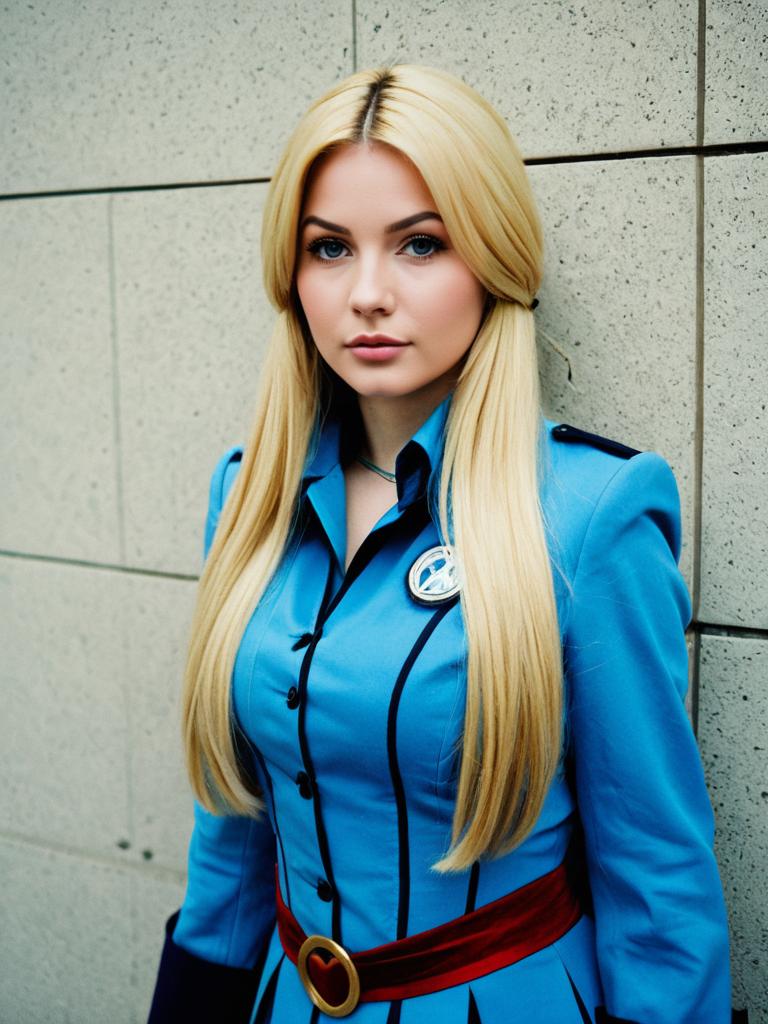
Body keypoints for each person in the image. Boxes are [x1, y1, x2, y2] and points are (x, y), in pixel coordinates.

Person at [148, 64, 735, 1024]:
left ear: (493, 259)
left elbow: (657, 872)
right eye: (329, 249)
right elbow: (236, 830)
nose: (367, 294)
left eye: (420, 244)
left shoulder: (592, 516)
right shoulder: (247, 490)